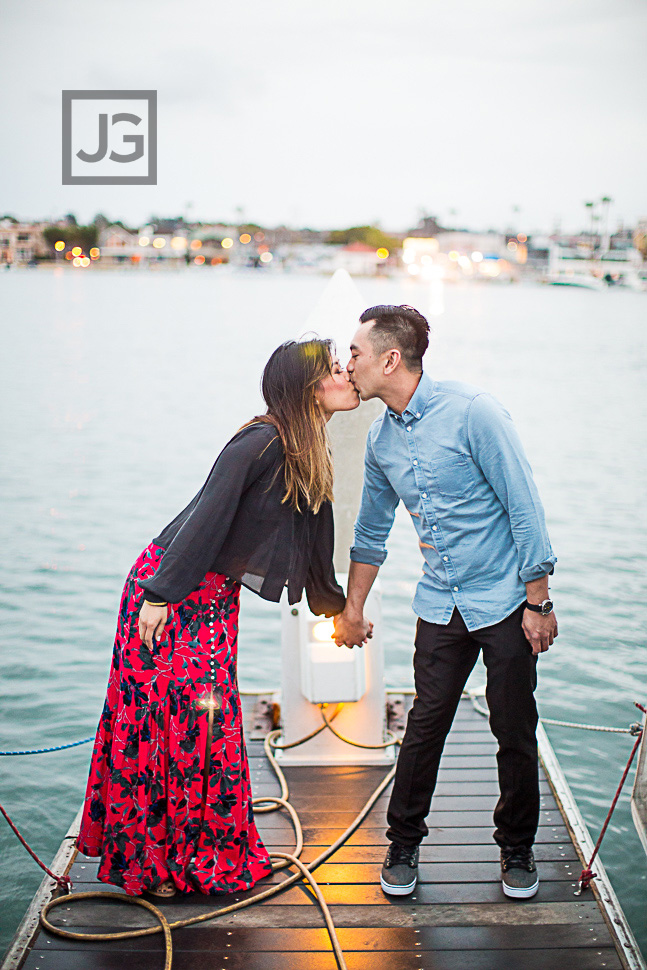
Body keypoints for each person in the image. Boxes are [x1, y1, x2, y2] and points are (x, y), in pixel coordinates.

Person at [77, 338, 363, 898]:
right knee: (172, 728)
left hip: (208, 598)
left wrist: (339, 612)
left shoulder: (307, 448)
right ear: (309, 388)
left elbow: (315, 542)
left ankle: (196, 857)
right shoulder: (259, 442)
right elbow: (206, 519)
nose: (347, 376)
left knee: (205, 727)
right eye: (335, 369)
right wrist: (160, 595)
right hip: (170, 591)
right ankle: (153, 867)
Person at [333, 305, 557, 900]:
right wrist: (353, 609)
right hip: (440, 604)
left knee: (515, 728)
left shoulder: (473, 412)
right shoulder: (380, 441)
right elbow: (370, 534)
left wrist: (538, 599)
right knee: (424, 725)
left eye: (354, 353)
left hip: (506, 599)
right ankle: (403, 845)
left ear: (390, 359)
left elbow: (523, 503)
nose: (346, 363)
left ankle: (516, 851)